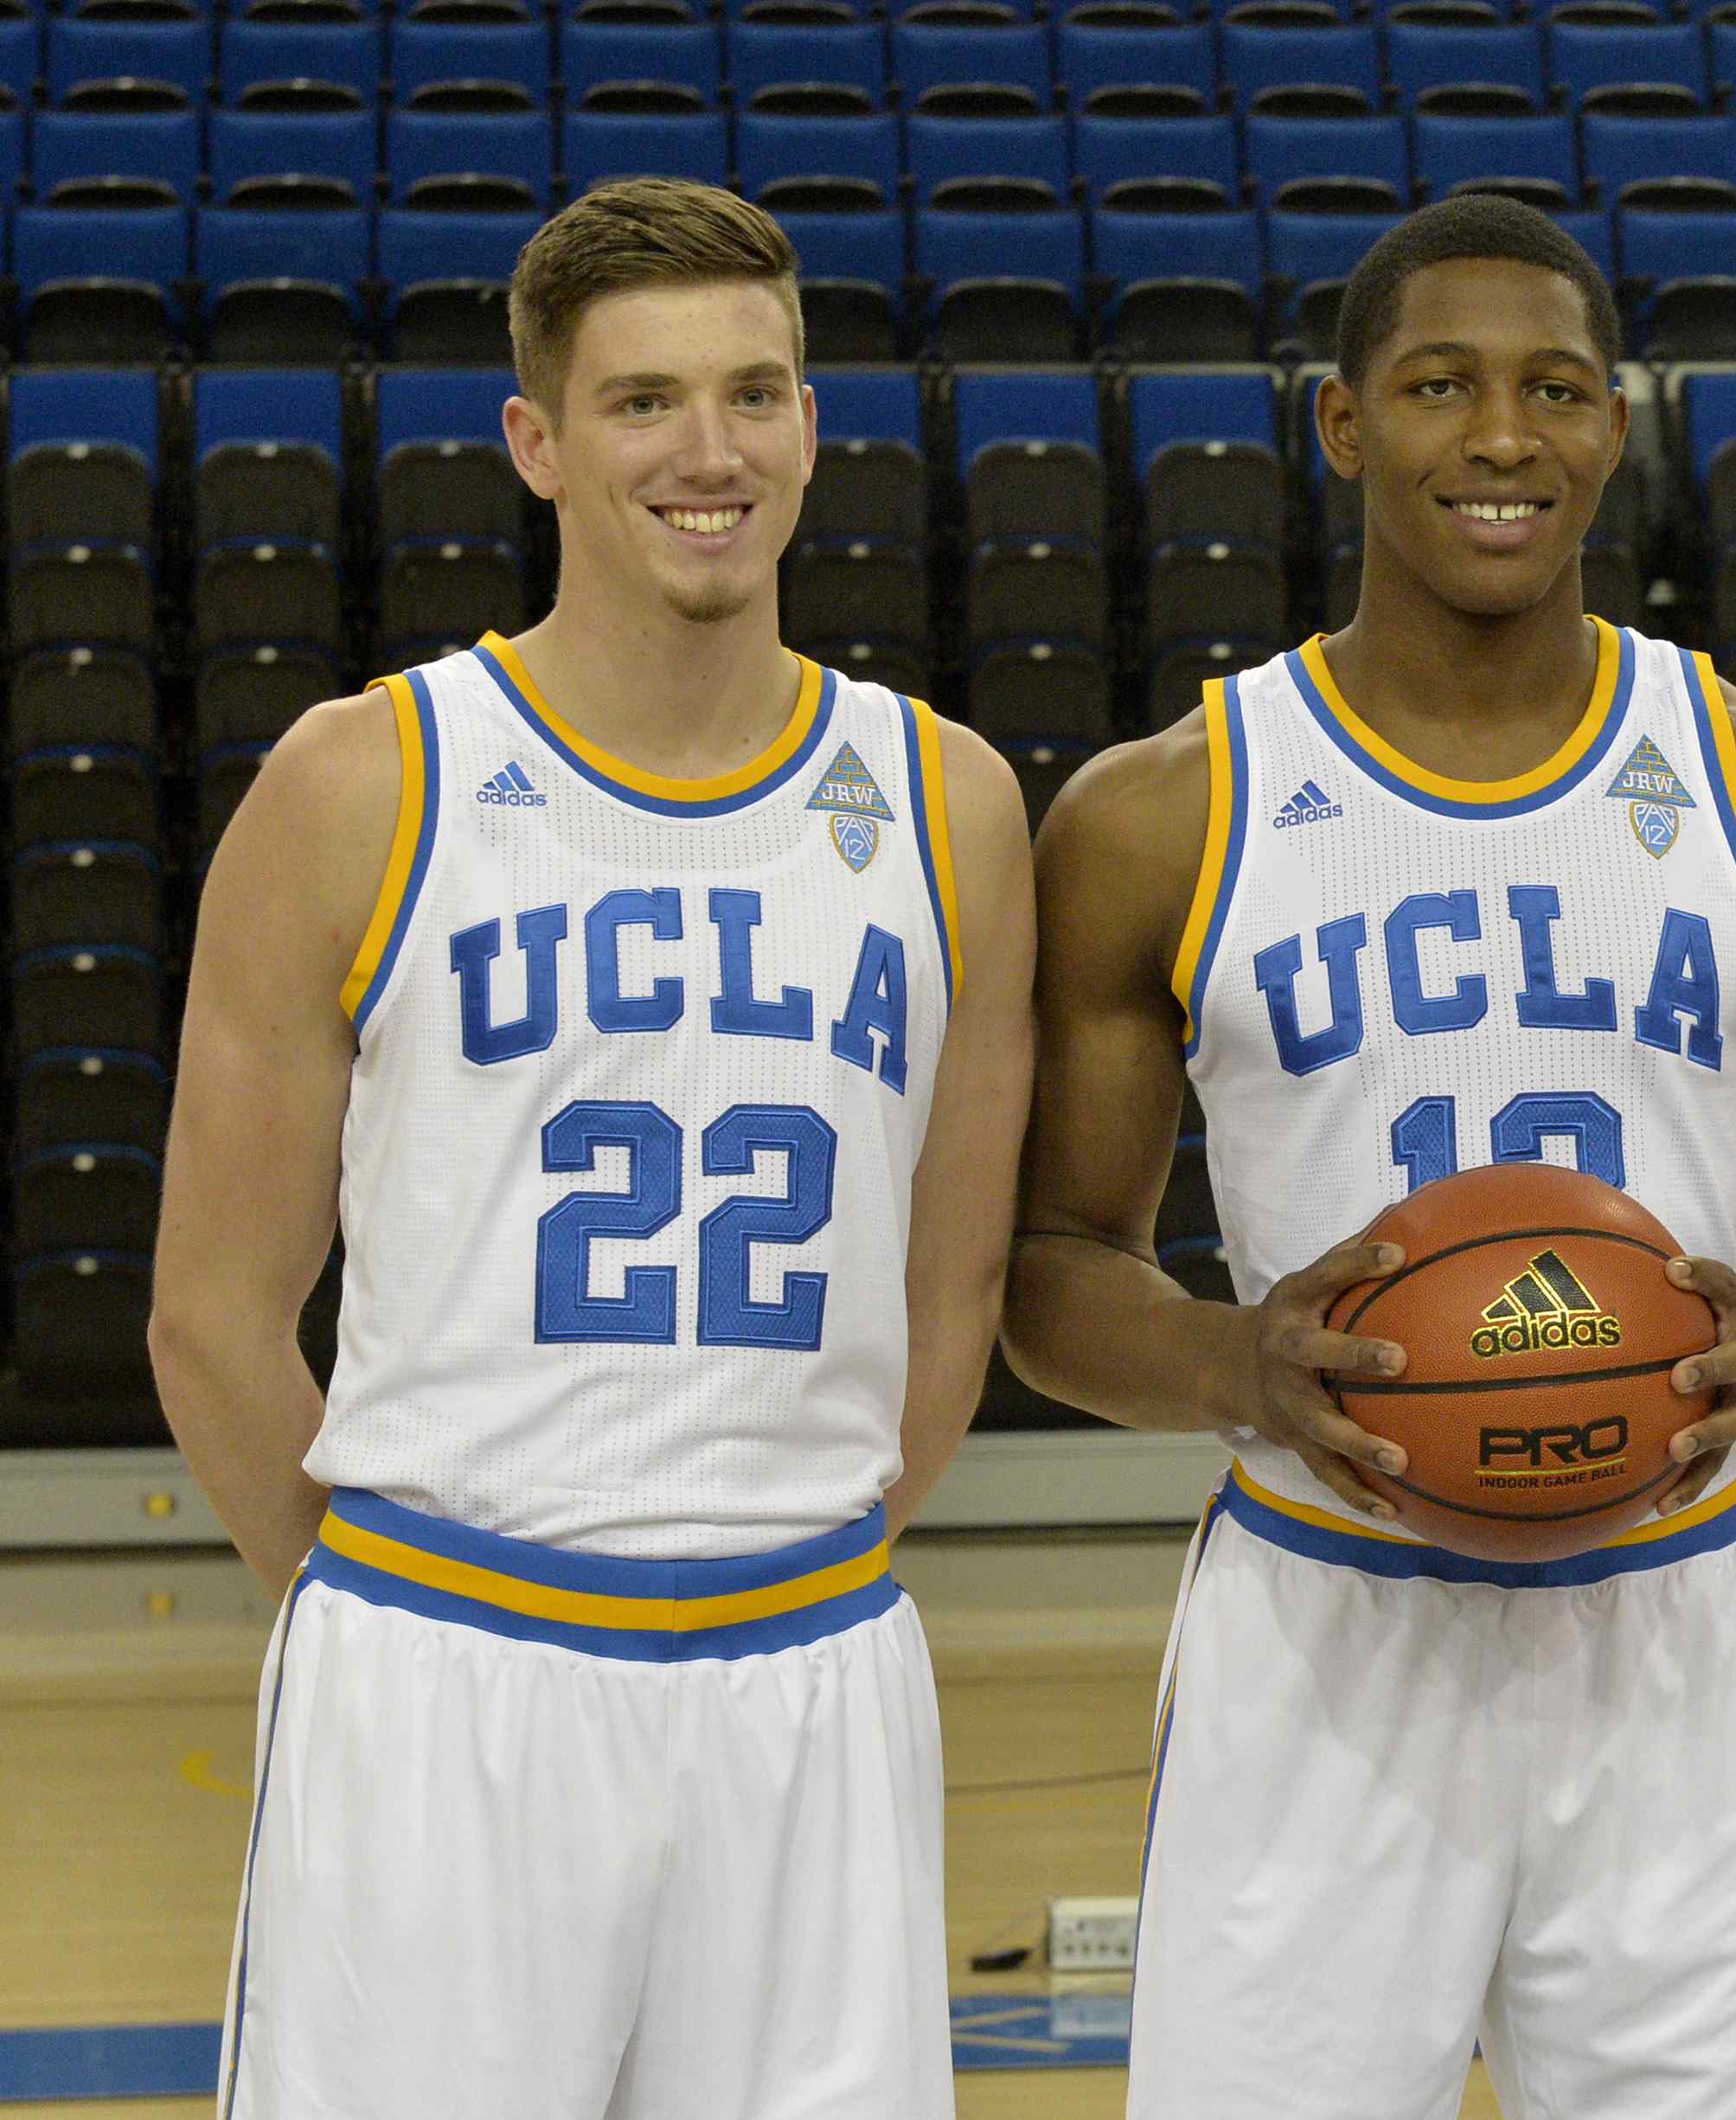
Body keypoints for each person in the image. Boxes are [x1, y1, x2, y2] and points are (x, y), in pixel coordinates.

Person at [1002, 195, 1736, 2117]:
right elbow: (1044, 1263)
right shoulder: (1163, 808)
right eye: (1437, 386)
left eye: (1549, 389)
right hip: (1324, 1607)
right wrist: (1232, 1362)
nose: (1500, 438)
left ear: (1615, 425)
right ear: (1342, 428)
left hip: (1674, 1612)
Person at [150, 177, 1033, 2117]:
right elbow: (211, 1312)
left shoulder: (948, 803)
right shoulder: (364, 780)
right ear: (538, 445)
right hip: (446, 1667)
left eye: (756, 393)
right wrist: (384, 1624)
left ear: (813, 422)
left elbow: (949, 1294)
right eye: (642, 403)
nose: (707, 453)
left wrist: (774, 1570)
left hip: (811, 1668)